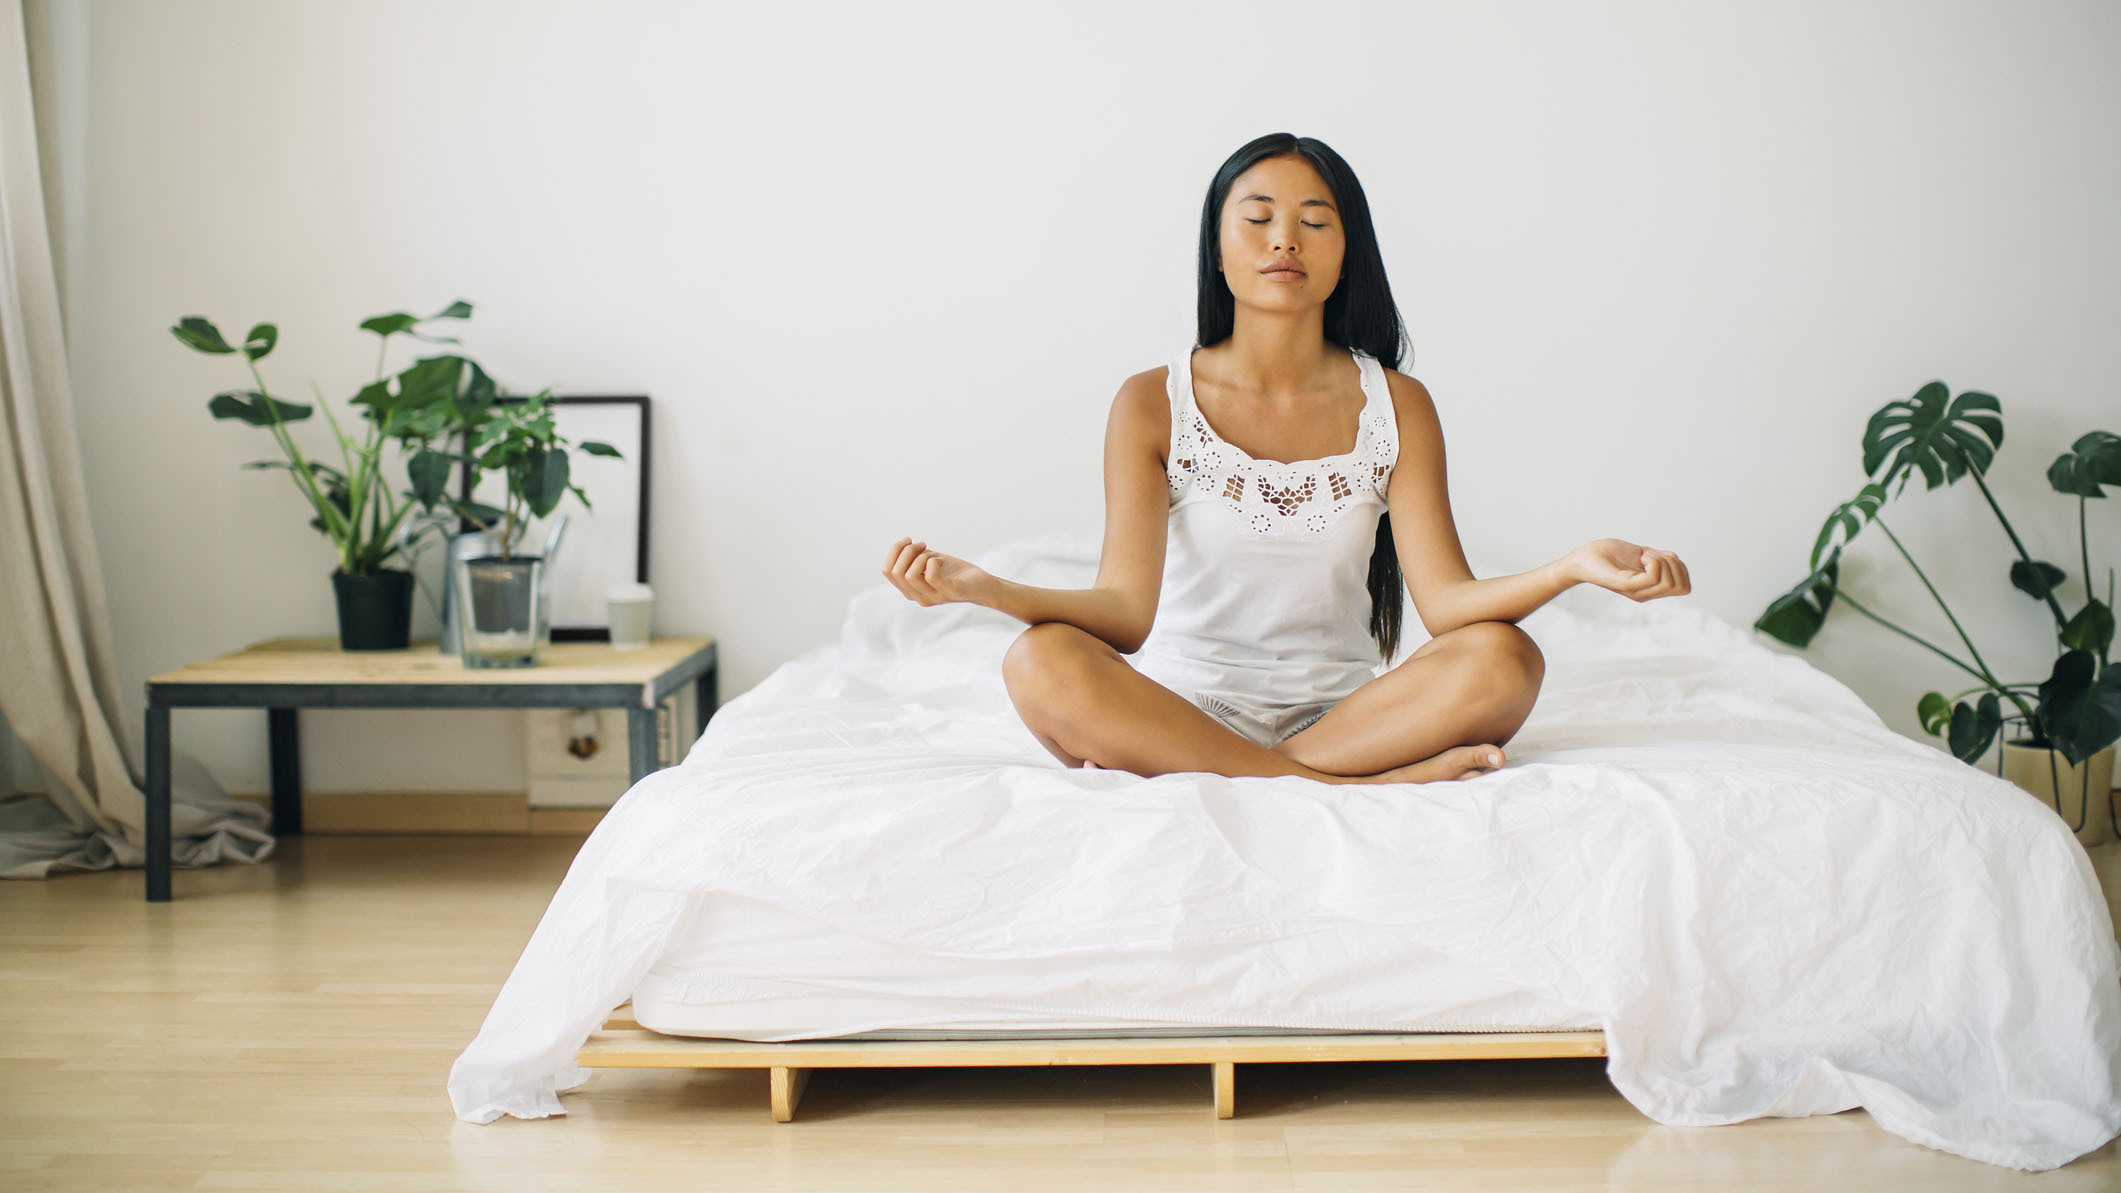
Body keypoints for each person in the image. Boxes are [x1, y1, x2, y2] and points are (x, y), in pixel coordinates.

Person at [879, 132, 1691, 785]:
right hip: (1176, 710)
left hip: (1345, 721)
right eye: (1257, 217)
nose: (1283, 240)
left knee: (1505, 658)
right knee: (1041, 661)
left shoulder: (1396, 403)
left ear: (1345, 254)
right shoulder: (1148, 401)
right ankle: (1339, 786)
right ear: (1219, 251)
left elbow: (1448, 606)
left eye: (1314, 220)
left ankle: (1271, 772)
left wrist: (1574, 567)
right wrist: (983, 589)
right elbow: (1125, 614)